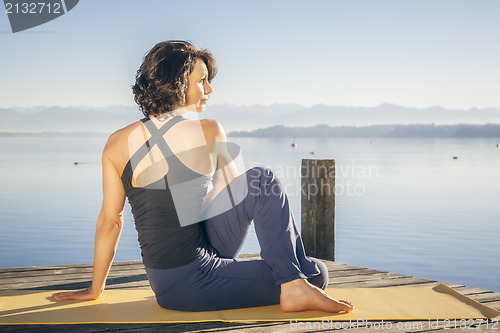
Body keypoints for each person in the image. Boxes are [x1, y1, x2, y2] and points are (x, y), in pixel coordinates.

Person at [51, 40, 353, 313]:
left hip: (166, 283)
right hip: (194, 282)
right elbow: (237, 199)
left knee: (306, 268)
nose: (209, 90)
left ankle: (294, 282)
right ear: (178, 83)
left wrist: (96, 288)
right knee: (312, 267)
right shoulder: (209, 129)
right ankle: (295, 286)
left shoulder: (116, 142)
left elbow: (110, 221)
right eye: (202, 81)